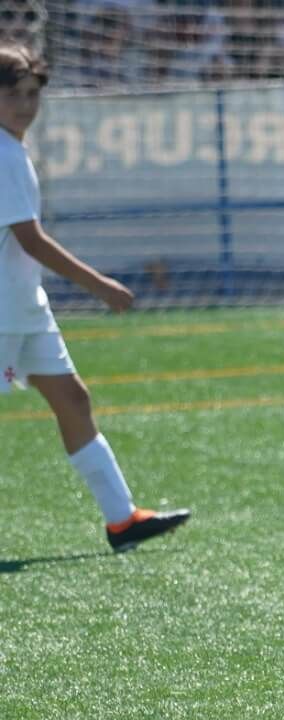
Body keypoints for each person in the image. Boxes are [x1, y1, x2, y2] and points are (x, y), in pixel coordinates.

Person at [0, 44, 190, 553]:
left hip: (25, 308)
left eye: (32, 94)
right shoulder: (4, 154)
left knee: (74, 400)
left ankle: (122, 521)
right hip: (4, 313)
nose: (25, 105)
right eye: (13, 94)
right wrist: (100, 284)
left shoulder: (12, 149)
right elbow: (31, 241)